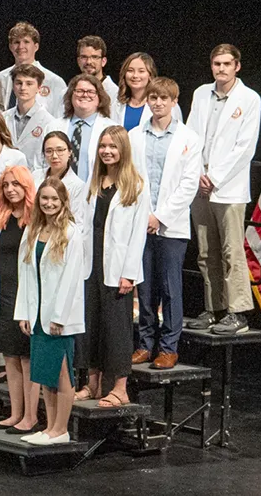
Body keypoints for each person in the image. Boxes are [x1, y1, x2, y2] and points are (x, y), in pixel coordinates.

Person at [185, 44, 261, 334]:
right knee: (206, 252)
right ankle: (214, 308)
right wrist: (197, 173)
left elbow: (244, 148)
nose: (221, 69)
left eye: (226, 64)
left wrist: (214, 177)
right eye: (216, 64)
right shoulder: (201, 93)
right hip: (200, 184)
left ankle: (238, 312)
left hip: (227, 187)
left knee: (231, 251)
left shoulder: (249, 98)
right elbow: (191, 136)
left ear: (237, 66)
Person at [131, 77, 203, 368]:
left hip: (171, 225)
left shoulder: (189, 139)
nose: (158, 103)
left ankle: (169, 346)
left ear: (175, 102)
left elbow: (188, 185)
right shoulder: (135, 135)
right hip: (140, 223)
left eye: (164, 99)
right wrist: (144, 215)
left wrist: (159, 216)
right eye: (153, 98)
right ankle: (145, 344)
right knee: (145, 287)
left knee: (170, 288)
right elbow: (132, 180)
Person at [15, 179, 94, 446]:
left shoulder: (72, 233)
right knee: (44, 374)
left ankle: (61, 429)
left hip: (58, 318)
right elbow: (25, 274)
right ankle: (49, 427)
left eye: (54, 200)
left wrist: (59, 316)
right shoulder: (33, 231)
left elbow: (72, 278)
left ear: (63, 202)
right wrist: (23, 311)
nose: (49, 204)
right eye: (44, 198)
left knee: (61, 373)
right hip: (37, 314)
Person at [80, 126, 149, 408]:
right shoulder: (94, 183)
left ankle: (120, 388)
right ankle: (92, 383)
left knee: (116, 328)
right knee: (91, 325)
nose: (107, 151)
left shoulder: (136, 186)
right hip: (91, 264)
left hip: (118, 268)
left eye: (112, 146)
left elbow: (137, 235)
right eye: (103, 146)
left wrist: (129, 273)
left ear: (123, 149)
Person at [0, 166, 40, 433]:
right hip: (3, 294)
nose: (10, 189)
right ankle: (15, 413)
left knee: (27, 359)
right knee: (10, 358)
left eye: (16, 184)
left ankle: (31, 416)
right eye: (6, 184)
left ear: (27, 186)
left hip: (27, 295)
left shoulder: (36, 218)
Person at [0, 22, 70, 116]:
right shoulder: (1, 78)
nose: (21, 47)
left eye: (26, 42)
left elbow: (61, 116)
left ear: (36, 46)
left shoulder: (54, 81)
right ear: (10, 47)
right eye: (17, 42)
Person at [61, 74, 119, 180]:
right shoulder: (54, 126)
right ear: (70, 95)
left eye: (91, 92)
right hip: (58, 192)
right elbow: (41, 163)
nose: (85, 95)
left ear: (100, 97)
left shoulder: (112, 128)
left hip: (94, 192)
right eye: (79, 91)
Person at [5, 63, 66, 162]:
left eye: (29, 83)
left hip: (35, 175)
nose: (23, 88)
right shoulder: (3, 118)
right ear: (13, 86)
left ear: (39, 88)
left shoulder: (50, 123)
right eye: (19, 83)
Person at [114, 52, 184, 129]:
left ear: (150, 75)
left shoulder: (167, 104)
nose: (135, 75)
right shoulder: (116, 103)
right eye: (130, 70)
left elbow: (177, 133)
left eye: (141, 71)